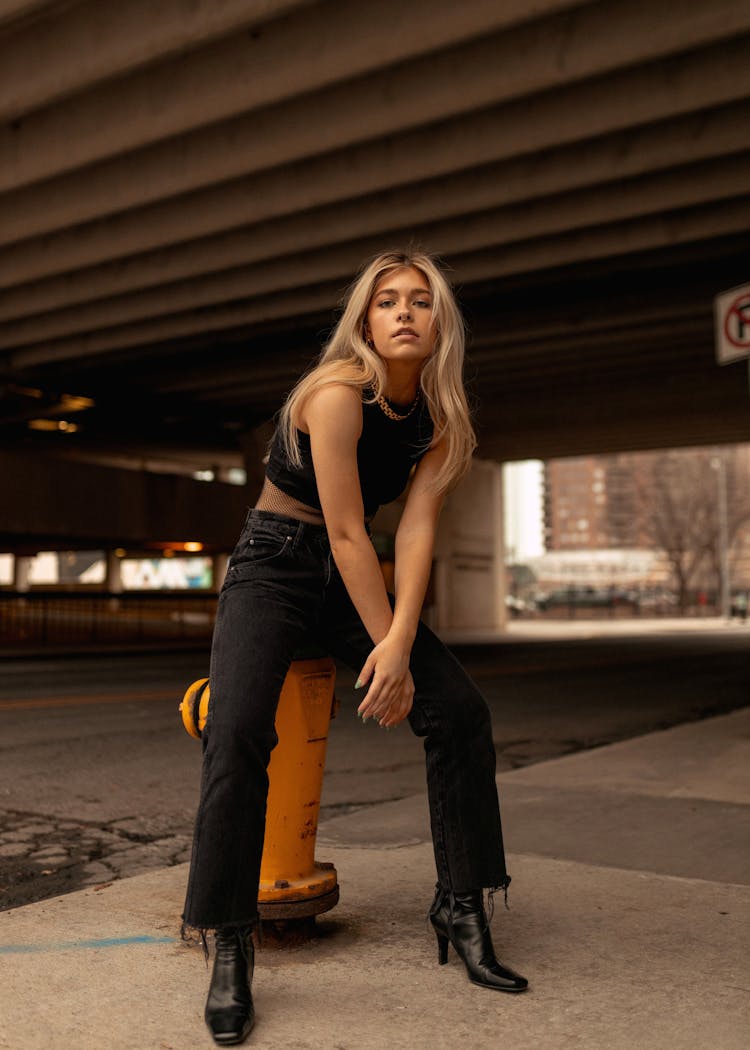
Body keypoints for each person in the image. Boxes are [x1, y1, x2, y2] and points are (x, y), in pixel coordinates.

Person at [182, 249, 528, 1046]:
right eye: (387, 301)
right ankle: (229, 940)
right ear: (365, 321)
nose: (404, 312)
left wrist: (401, 638)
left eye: (421, 301)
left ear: (441, 323)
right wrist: (389, 640)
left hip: (350, 577)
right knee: (236, 733)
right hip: (275, 563)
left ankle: (462, 905)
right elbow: (342, 530)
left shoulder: (441, 419)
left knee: (461, 712)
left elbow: (412, 529)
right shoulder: (337, 394)